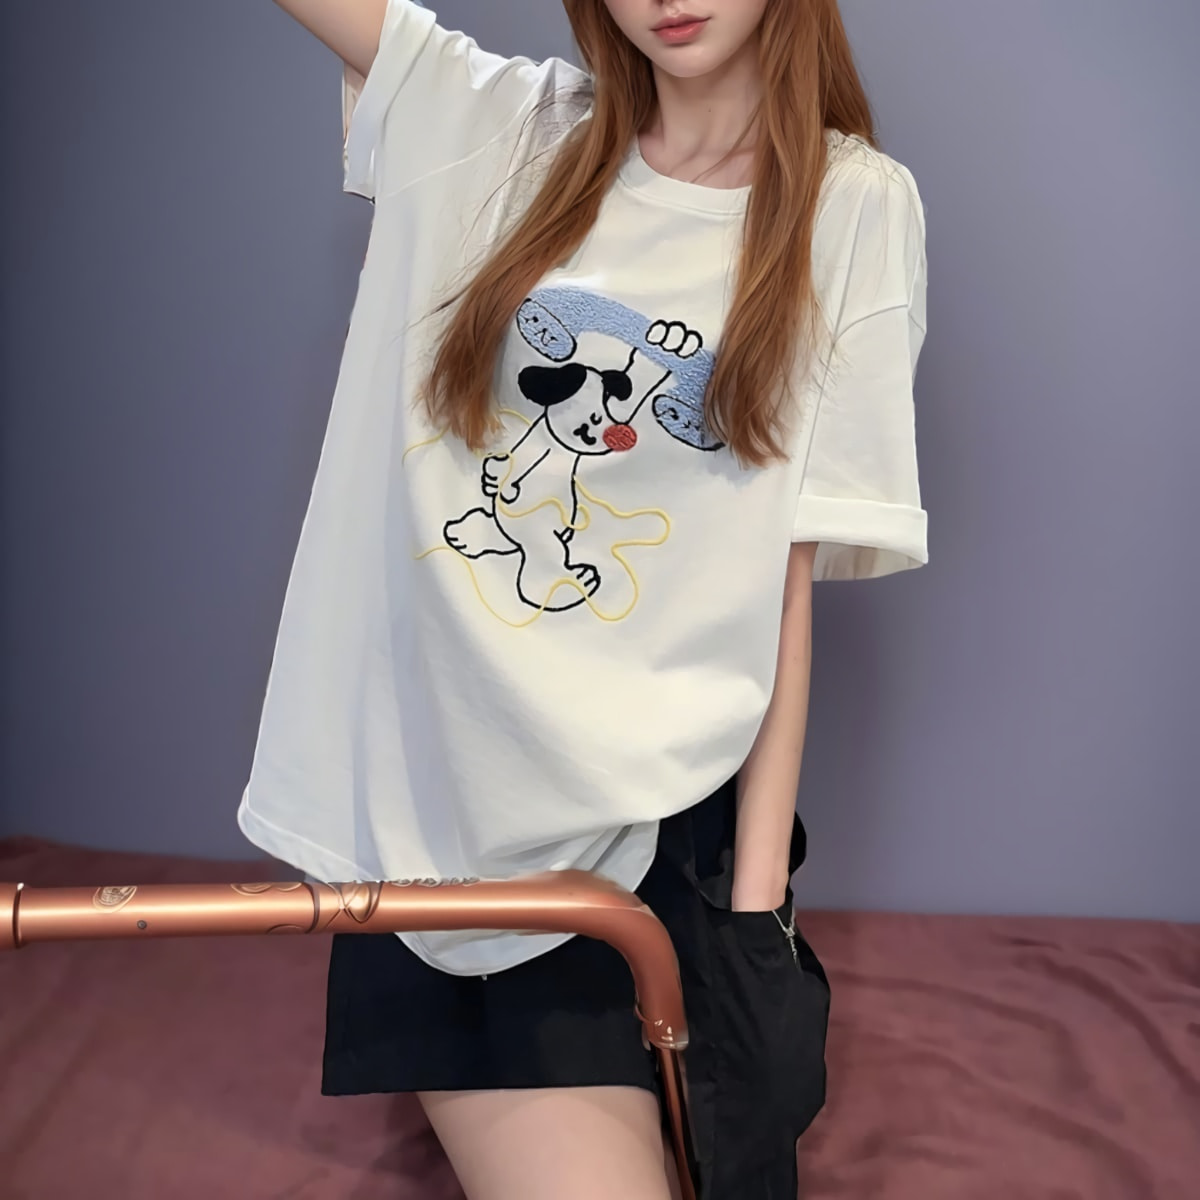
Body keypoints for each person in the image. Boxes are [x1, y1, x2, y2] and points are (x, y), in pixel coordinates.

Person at [241, 1, 928, 1196]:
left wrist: (754, 922)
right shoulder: (500, 129)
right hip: (456, 834)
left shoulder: (853, 205)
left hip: (676, 832)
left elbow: (782, 584)